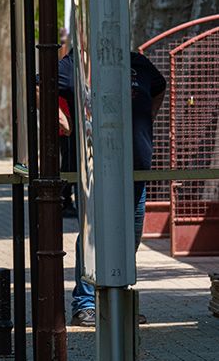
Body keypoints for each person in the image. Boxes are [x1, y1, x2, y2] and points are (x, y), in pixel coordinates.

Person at [62, 49, 165, 327]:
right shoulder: (77, 62)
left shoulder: (137, 62)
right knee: (94, 236)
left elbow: (159, 87)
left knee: (130, 235)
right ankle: (85, 304)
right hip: (94, 168)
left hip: (135, 167)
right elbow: (39, 86)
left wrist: (146, 121)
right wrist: (64, 121)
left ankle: (117, 300)